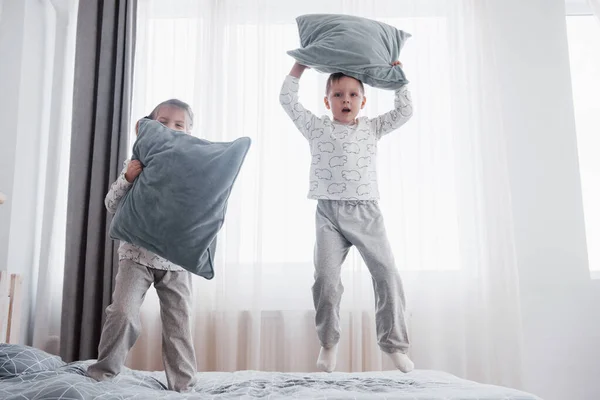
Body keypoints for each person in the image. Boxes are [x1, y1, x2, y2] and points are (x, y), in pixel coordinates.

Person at [279, 61, 414, 373]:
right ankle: (328, 342)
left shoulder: (372, 127)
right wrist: (299, 66)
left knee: (387, 275)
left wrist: (399, 80)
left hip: (366, 212)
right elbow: (288, 101)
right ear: (327, 102)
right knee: (325, 279)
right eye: (338, 95)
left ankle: (394, 345)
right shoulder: (317, 127)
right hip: (328, 213)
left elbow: (404, 112)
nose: (346, 100)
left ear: (363, 102)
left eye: (353, 95)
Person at [87, 99, 198, 392]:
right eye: (162, 122)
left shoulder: (192, 169)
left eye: (179, 125)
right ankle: (103, 374)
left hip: (175, 259)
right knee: (122, 313)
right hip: (136, 255)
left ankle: (183, 386)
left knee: (179, 323)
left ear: (189, 133)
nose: (170, 129)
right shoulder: (136, 162)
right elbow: (111, 204)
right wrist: (127, 177)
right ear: (147, 126)